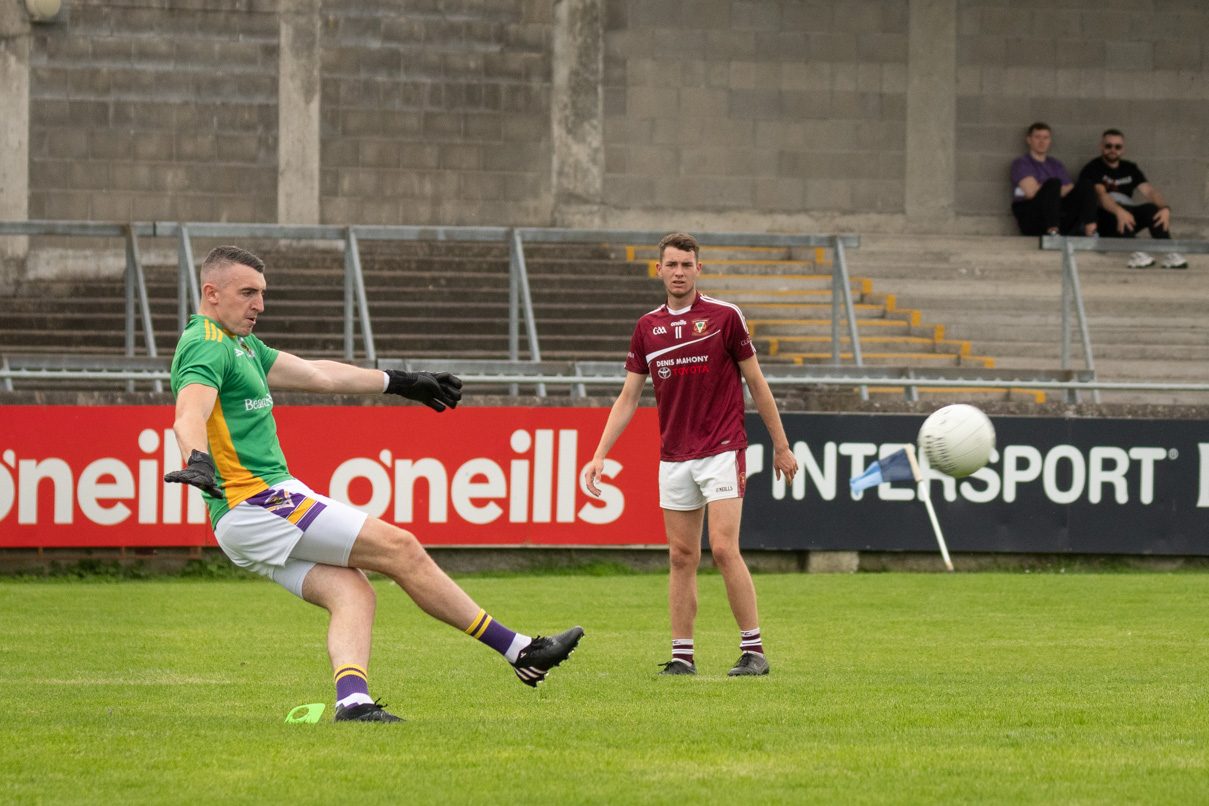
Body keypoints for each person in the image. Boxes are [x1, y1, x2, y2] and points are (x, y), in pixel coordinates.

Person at [164, 245, 582, 723]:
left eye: (262, 293)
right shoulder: (205, 343)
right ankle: (520, 650)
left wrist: (401, 381)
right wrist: (196, 458)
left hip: (249, 512)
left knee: (354, 592)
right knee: (401, 547)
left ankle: (353, 702)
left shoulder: (242, 345)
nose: (259, 304)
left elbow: (320, 375)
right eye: (248, 293)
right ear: (211, 293)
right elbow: (189, 411)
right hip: (255, 500)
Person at [583, 232, 798, 677]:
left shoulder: (725, 317)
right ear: (657, 270)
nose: (678, 272)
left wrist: (780, 445)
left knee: (722, 548)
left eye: (686, 264)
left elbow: (756, 383)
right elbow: (628, 397)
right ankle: (682, 656)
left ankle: (753, 651)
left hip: (722, 448)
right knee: (681, 555)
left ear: (699, 269)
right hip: (674, 456)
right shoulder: (647, 327)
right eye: (671, 265)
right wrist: (600, 453)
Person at [1078, 129, 1187, 269]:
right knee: (1120, 211)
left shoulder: (1130, 168)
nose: (1113, 150)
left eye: (1117, 147)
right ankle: (1137, 253)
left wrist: (1164, 208)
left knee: (1152, 210)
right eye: (1108, 146)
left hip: (1126, 214)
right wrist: (1118, 211)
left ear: (1122, 149)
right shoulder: (1093, 167)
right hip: (1106, 219)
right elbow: (1101, 195)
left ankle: (1169, 252)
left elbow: (1149, 191)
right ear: (1101, 147)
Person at [1009, 122, 1096, 237]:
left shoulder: (1056, 164)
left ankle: (1091, 232)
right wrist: (1052, 189)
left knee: (1086, 184)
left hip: (1058, 214)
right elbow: (1030, 193)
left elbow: (1070, 189)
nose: (1042, 141)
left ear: (1049, 140)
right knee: (1053, 183)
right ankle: (1053, 232)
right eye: (1037, 137)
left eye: (1045, 138)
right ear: (1029, 140)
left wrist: (1047, 190)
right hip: (1032, 219)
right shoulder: (1021, 163)